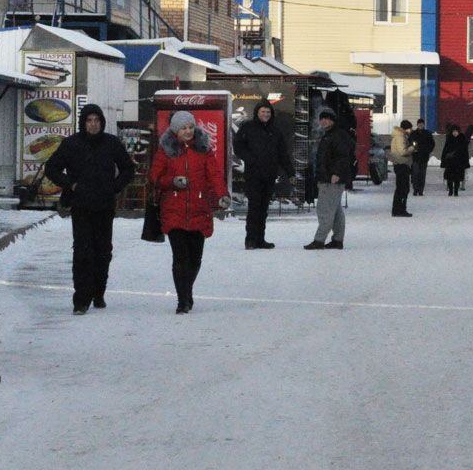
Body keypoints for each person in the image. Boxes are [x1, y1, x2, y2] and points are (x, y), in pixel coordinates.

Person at [43, 103, 137, 315]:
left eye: (96, 121)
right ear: (83, 123)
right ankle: (81, 299)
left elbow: (128, 168)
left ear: (102, 122)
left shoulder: (111, 143)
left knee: (103, 251)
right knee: (83, 251)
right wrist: (70, 184)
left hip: (104, 204)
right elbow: (52, 168)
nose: (93, 125)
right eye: (89, 121)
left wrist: (114, 186)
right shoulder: (71, 144)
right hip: (81, 204)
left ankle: (98, 292)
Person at [150, 111, 229, 314]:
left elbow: (215, 174)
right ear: (176, 130)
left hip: (199, 209)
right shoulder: (165, 150)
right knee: (180, 258)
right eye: (184, 128)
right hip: (174, 210)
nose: (188, 131)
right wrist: (173, 182)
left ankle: (187, 290)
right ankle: (182, 300)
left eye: (191, 127)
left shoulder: (203, 149)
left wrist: (222, 194)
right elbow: (154, 177)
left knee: (195, 259)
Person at [232, 100, 292, 249]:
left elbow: (282, 153)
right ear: (257, 113)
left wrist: (290, 171)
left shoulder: (275, 131)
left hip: (269, 175)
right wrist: (250, 158)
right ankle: (250, 240)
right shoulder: (248, 127)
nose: (265, 114)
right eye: (263, 112)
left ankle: (260, 239)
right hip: (253, 175)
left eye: (268, 112)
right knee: (254, 208)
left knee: (263, 209)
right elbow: (238, 146)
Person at [305, 109, 355, 249]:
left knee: (324, 210)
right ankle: (337, 240)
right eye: (322, 119)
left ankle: (319, 240)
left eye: (327, 118)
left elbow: (342, 157)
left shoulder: (336, 135)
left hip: (331, 179)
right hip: (330, 178)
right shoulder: (333, 134)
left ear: (333, 120)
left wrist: (336, 173)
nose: (324, 121)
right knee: (336, 210)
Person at [439, 122, 473, 196]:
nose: (455, 133)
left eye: (456, 131)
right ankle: (451, 190)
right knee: (449, 177)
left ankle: (456, 190)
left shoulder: (462, 139)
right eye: (453, 131)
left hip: (459, 162)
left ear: (458, 132)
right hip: (450, 162)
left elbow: (465, 152)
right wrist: (443, 161)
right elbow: (445, 150)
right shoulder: (449, 139)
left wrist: (465, 162)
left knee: (457, 178)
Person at [389, 120, 414, 217]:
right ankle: (400, 209)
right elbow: (402, 151)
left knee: (401, 188)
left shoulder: (399, 136)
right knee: (403, 188)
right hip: (402, 164)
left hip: (400, 164)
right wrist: (412, 148)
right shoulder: (400, 137)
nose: (411, 130)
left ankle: (398, 209)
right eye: (409, 128)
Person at [409, 118, 435, 195]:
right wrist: (413, 149)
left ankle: (421, 190)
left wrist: (428, 151)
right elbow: (410, 142)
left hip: (424, 157)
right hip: (415, 157)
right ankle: (415, 189)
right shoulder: (413, 134)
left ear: (424, 125)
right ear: (417, 125)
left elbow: (432, 144)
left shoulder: (427, 133)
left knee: (422, 174)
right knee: (415, 173)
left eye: (422, 124)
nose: (420, 125)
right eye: (419, 124)